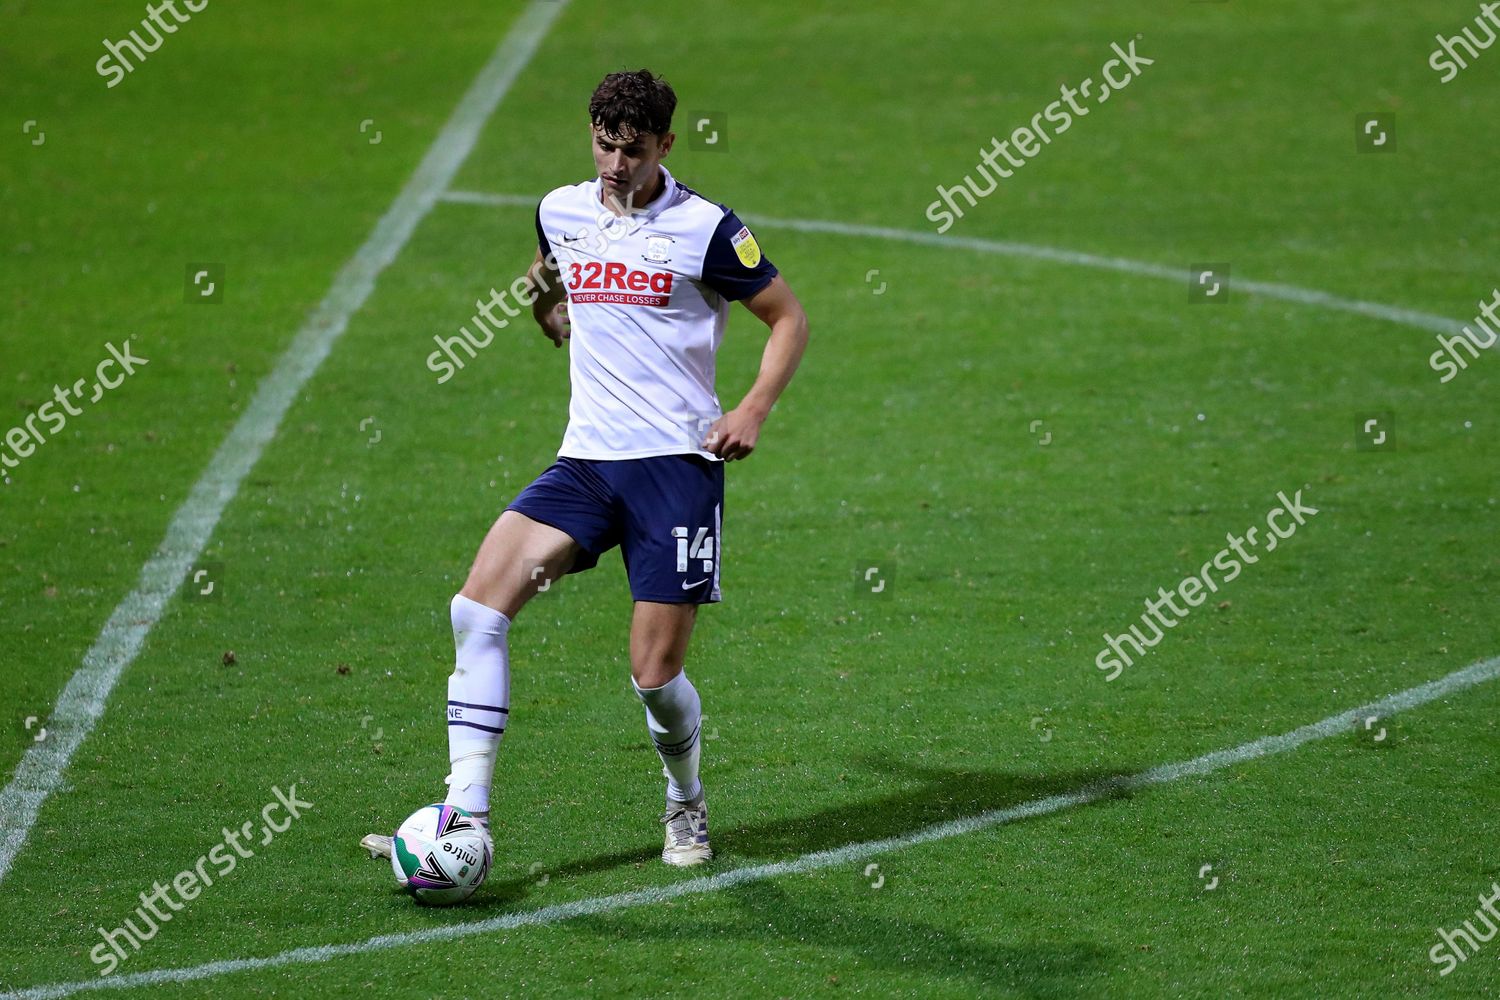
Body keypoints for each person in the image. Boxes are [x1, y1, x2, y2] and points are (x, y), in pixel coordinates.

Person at [364, 68, 808, 869]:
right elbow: (552, 263)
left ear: (665, 146)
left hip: (675, 469)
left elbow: (788, 317)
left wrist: (751, 411)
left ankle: (684, 800)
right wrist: (543, 302)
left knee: (654, 673)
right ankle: (465, 814)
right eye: (604, 146)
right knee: (477, 609)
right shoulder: (561, 208)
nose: (615, 165)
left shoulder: (707, 229)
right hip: (587, 463)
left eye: (633, 151)